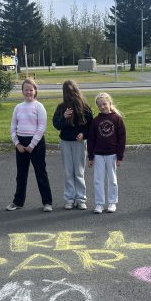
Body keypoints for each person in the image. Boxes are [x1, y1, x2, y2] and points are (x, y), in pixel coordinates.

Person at [6, 78, 53, 212]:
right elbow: (13, 127)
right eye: (26, 90)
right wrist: (17, 144)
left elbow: (42, 127)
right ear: (22, 91)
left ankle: (47, 202)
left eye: (31, 90)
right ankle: (18, 202)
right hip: (21, 143)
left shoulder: (39, 106)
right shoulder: (18, 107)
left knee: (41, 173)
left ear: (35, 91)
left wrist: (32, 145)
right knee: (21, 174)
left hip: (36, 143)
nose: (28, 92)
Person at [52, 80, 93, 210]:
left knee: (79, 172)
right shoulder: (61, 107)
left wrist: (83, 134)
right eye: (67, 91)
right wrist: (64, 117)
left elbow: (91, 126)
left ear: (76, 90)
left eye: (71, 91)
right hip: (65, 142)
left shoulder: (85, 107)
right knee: (68, 172)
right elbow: (56, 125)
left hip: (79, 143)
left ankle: (81, 199)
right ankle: (69, 198)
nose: (69, 94)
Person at [87, 92, 125, 214]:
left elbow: (122, 138)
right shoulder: (96, 121)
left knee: (112, 180)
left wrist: (120, 156)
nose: (102, 107)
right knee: (98, 180)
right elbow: (91, 139)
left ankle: (112, 202)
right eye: (100, 105)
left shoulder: (117, 119)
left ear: (109, 103)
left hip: (112, 154)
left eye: (104, 104)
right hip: (98, 155)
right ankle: (99, 204)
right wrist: (90, 157)